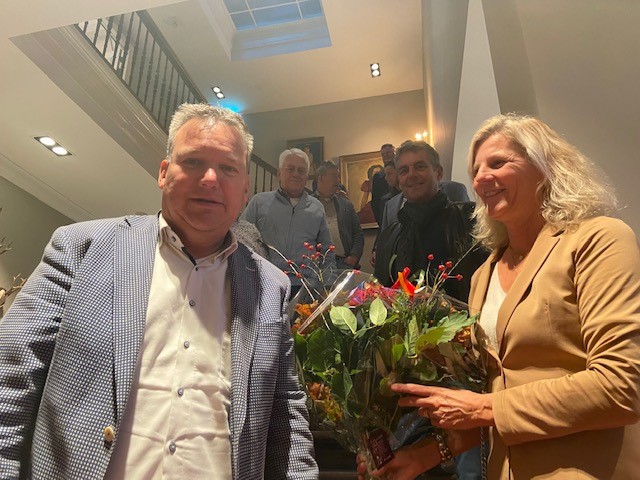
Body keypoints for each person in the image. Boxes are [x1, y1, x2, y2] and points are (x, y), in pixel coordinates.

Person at [0, 104, 318, 479]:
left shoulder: (271, 286)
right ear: (164, 173)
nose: (210, 179)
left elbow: (287, 415)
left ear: (245, 187)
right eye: (194, 161)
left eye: (229, 168)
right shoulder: (79, 249)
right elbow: (10, 379)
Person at [361, 114, 640, 479]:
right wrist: (423, 455)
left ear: (544, 166)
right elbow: (494, 394)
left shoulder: (597, 239)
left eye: (497, 163)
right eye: (476, 169)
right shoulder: (485, 273)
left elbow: (622, 386)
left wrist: (485, 409)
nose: (481, 177)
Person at [374, 141, 487, 301]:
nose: (411, 175)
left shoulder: (471, 218)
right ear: (399, 181)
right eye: (404, 171)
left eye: (420, 167)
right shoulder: (389, 237)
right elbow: (382, 295)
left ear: (438, 173)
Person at [241, 148, 335, 296]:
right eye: (290, 169)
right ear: (279, 173)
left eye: (301, 171)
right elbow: (241, 242)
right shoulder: (259, 202)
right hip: (265, 286)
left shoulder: (317, 207)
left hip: (306, 289)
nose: (296, 174)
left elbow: (327, 251)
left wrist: (327, 287)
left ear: (306, 176)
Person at [313, 161, 364, 270]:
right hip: (319, 267)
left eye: (338, 176)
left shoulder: (346, 205)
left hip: (345, 264)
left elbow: (358, 234)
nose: (338, 180)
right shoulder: (307, 205)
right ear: (321, 178)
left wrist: (354, 256)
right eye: (334, 176)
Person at [371, 143, 396, 224]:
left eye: (388, 153)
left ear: (394, 153)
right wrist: (381, 221)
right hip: (385, 216)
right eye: (383, 154)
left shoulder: (402, 171)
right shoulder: (378, 177)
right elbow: (375, 202)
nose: (386, 156)